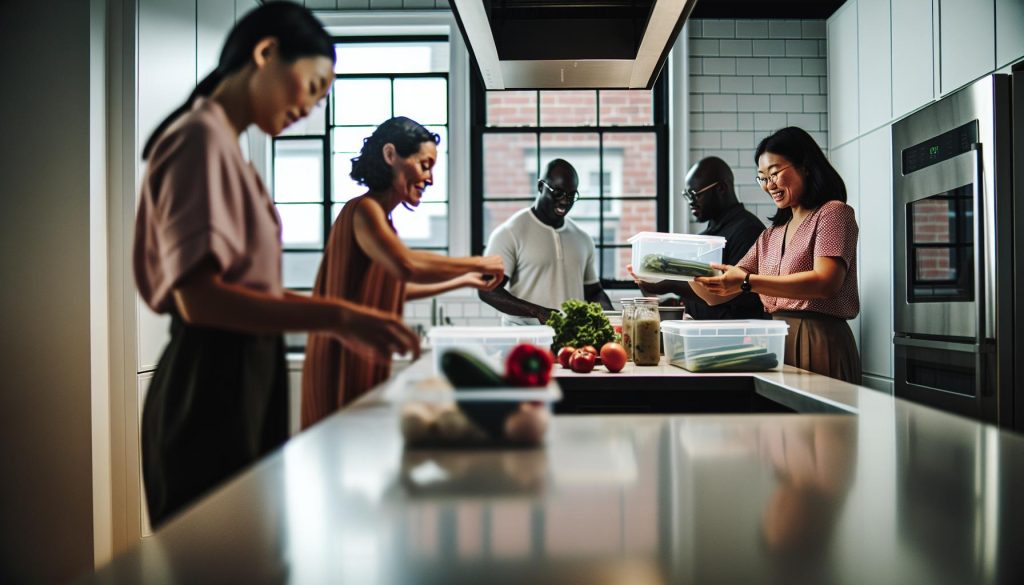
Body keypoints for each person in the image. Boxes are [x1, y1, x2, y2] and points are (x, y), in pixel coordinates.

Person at [133, 4, 420, 529]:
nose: (310, 108)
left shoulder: (226, 148)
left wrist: (346, 317)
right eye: (311, 86)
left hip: (243, 372)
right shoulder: (199, 139)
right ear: (265, 54)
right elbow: (199, 300)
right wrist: (339, 317)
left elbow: (248, 289)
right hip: (211, 379)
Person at [302, 117, 505, 427]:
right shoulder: (365, 210)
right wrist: (477, 262)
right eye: (425, 165)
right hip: (342, 357)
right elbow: (406, 265)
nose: (431, 179)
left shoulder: (380, 219)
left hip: (360, 351)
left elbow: (396, 287)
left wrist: (460, 281)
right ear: (390, 156)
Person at [691, 127, 862, 383]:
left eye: (774, 173)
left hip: (818, 339)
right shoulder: (771, 234)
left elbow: (826, 282)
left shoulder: (833, 213)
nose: (769, 185)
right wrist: (684, 272)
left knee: (820, 422)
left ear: (805, 166)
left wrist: (748, 282)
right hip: (773, 341)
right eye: (762, 177)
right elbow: (721, 293)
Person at [626, 156, 766, 320]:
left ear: (721, 188)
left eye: (694, 194)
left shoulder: (748, 230)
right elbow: (700, 290)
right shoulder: (706, 236)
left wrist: (671, 285)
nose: (690, 202)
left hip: (736, 337)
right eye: (687, 195)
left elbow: (738, 296)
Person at [479, 159, 613, 325]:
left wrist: (614, 320)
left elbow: (593, 292)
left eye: (571, 195)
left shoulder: (583, 239)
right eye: (558, 192)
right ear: (541, 187)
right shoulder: (510, 232)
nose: (565, 201)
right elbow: (488, 289)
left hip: (570, 342)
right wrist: (538, 312)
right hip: (524, 341)